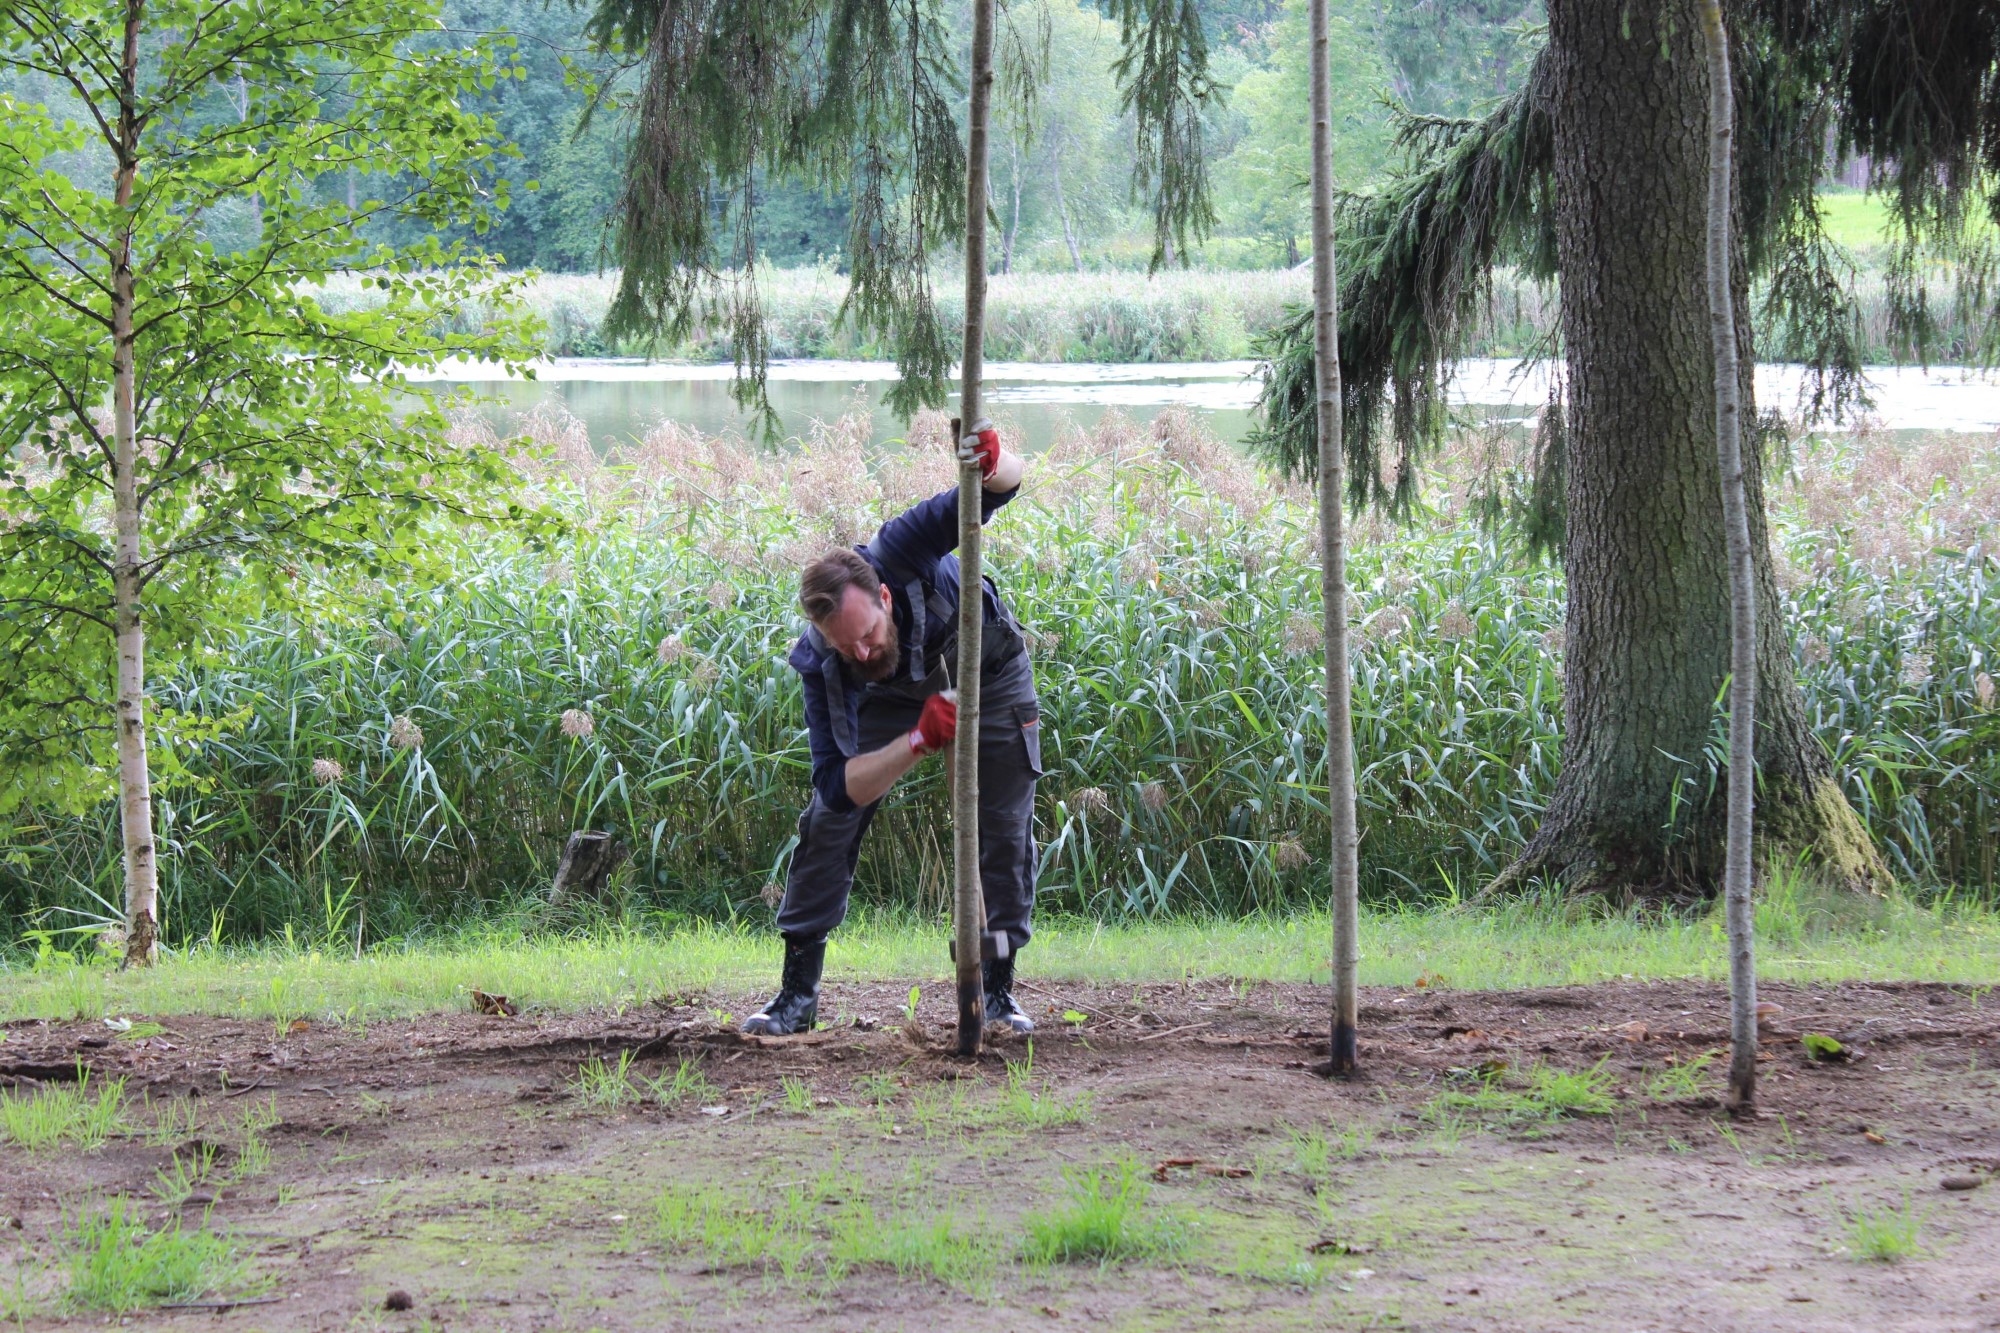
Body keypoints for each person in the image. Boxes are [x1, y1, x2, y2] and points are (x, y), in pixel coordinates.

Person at [744, 419, 1042, 1037]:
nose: (860, 651)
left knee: (1005, 830)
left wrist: (991, 460)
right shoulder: (828, 662)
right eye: (845, 645)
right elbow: (836, 784)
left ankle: (996, 990)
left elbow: (998, 490)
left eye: (868, 634)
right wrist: (917, 740)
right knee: (828, 824)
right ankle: (797, 998)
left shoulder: (902, 546)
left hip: (988, 668)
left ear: (882, 594)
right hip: (897, 702)